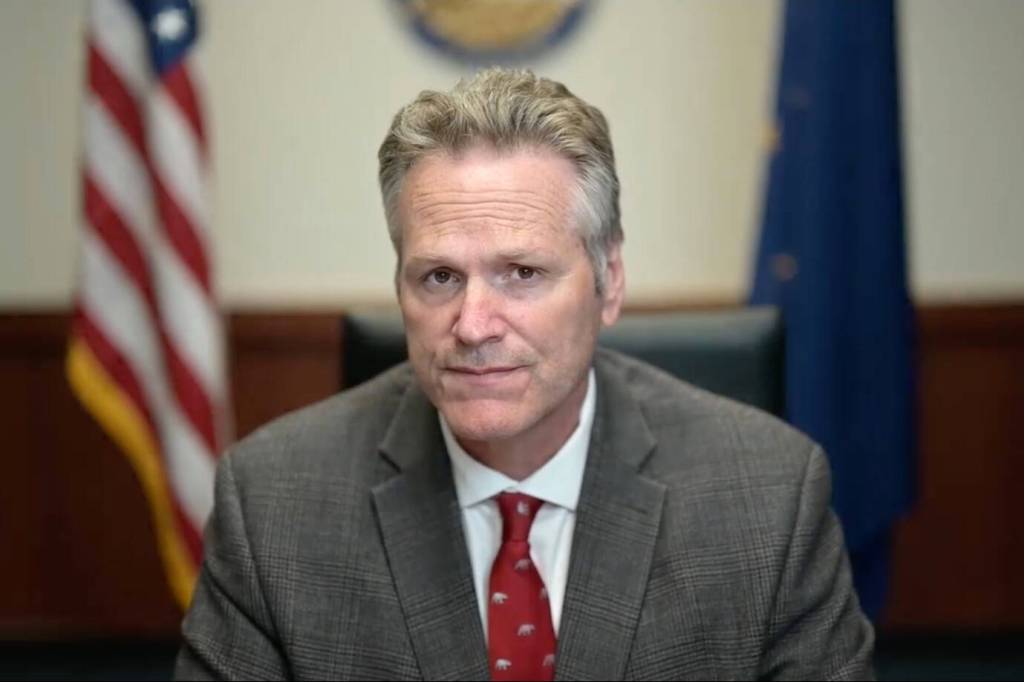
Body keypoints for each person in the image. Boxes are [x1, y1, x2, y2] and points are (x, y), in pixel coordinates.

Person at [176, 68, 874, 681]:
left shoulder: (768, 497)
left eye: (522, 273)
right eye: (439, 276)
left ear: (609, 280)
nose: (473, 325)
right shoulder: (273, 503)